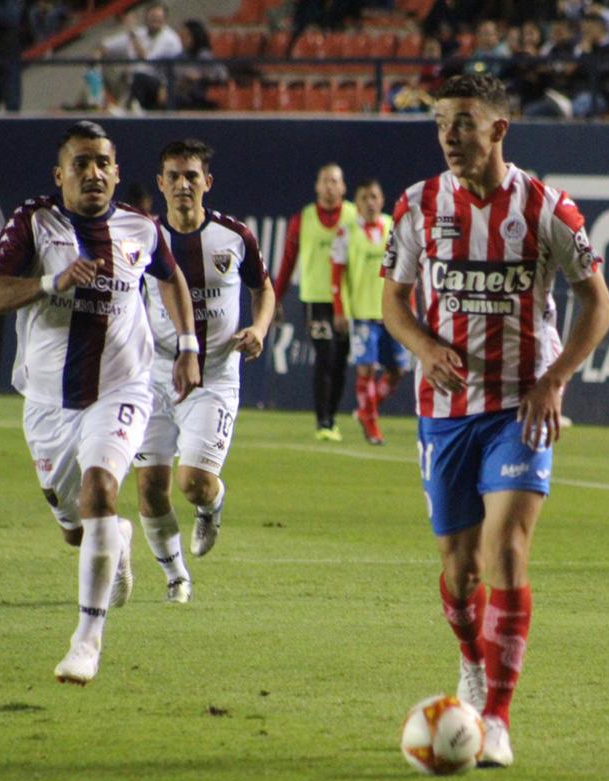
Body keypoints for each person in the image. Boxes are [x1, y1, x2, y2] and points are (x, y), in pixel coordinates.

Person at [380, 74, 609, 768]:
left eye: (463, 123)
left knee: (507, 548)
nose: (450, 137)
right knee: (460, 572)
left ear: (498, 129)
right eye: (441, 124)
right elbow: (392, 302)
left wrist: (554, 378)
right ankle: (471, 661)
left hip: (520, 406)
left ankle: (499, 718)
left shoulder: (546, 208)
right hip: (445, 412)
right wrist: (425, 349)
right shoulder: (418, 206)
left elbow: (597, 302)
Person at [0, 121, 201, 684]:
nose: (93, 172)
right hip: (49, 401)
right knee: (76, 530)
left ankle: (86, 642)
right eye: (81, 163)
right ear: (60, 175)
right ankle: (116, 539)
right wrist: (50, 283)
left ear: (117, 173)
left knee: (100, 489)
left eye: (103, 163)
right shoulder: (34, 222)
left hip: (122, 388)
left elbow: (170, 279)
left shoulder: (141, 228)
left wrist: (188, 345)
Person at [134, 138, 275, 603]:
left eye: (191, 176)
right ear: (160, 183)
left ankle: (211, 504)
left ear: (207, 182)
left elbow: (264, 288)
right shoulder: (143, 238)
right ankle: (176, 576)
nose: (182, 184)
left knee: (192, 483)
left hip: (215, 374)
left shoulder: (234, 237)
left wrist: (259, 327)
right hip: (154, 375)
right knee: (151, 486)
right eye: (173, 176)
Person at [273, 163, 357, 440]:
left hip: (348, 302)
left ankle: (331, 417)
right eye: (325, 181)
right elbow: (288, 261)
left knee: (341, 361)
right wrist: (275, 298)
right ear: (317, 186)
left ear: (343, 187)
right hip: (316, 301)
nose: (330, 186)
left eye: (335, 181)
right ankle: (323, 421)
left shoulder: (354, 217)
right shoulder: (303, 219)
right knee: (325, 356)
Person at [330, 179, 407, 445]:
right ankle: (372, 424)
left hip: (391, 313)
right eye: (364, 198)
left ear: (382, 200)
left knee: (397, 370)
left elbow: (404, 270)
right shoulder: (346, 232)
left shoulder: (392, 227)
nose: (370, 202)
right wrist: (340, 310)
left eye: (374, 196)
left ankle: (366, 409)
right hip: (362, 314)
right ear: (357, 203)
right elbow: (337, 274)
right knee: (366, 369)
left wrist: (409, 305)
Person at [100, 3, 183, 111]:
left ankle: (128, 108)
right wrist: (97, 54)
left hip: (161, 84)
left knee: (139, 77)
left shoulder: (169, 38)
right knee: (106, 67)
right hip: (132, 79)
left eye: (158, 17)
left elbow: (146, 58)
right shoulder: (141, 32)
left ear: (165, 19)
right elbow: (107, 45)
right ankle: (110, 104)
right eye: (152, 17)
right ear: (146, 17)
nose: (155, 20)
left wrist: (132, 33)